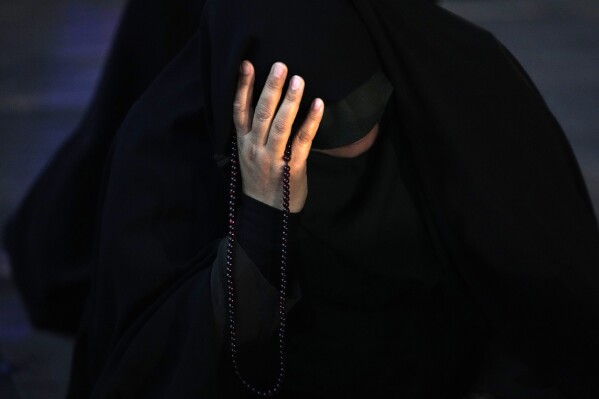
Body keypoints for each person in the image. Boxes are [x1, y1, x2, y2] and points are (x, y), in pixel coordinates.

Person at [5, 0, 599, 397]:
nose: (312, 152)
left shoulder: (462, 98)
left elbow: (553, 307)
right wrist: (262, 219)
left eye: (344, 122)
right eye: (282, 129)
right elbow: (149, 371)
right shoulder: (164, 166)